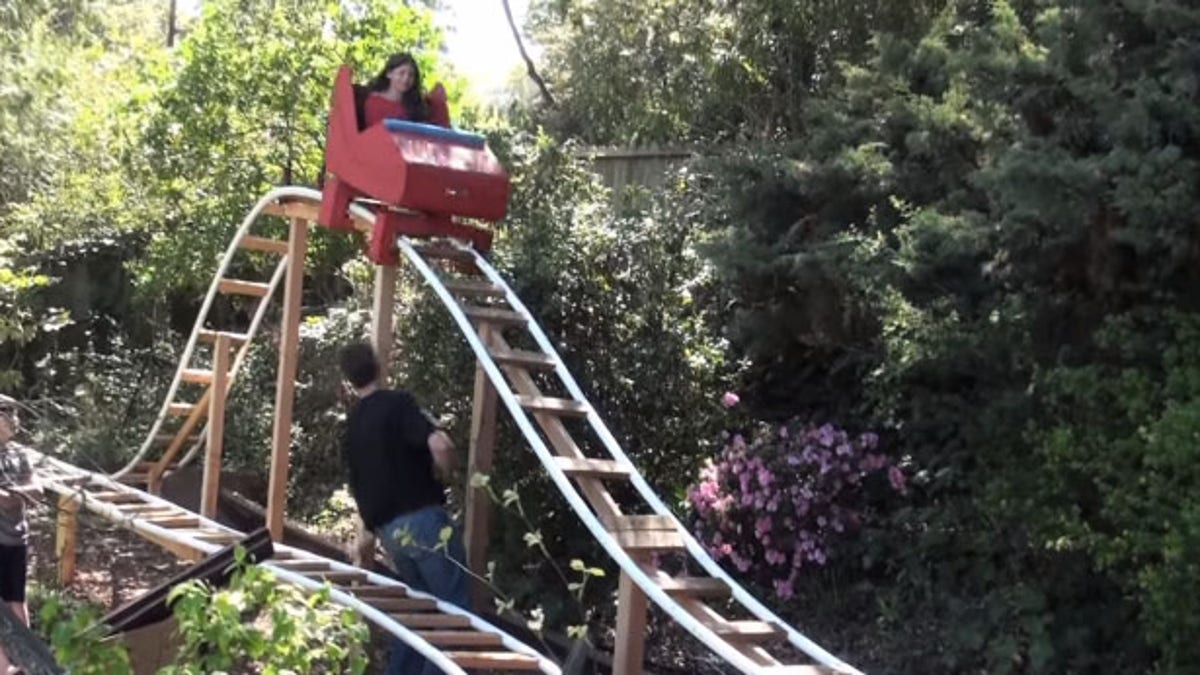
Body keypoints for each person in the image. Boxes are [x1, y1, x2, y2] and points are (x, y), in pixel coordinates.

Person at [337, 343, 467, 675]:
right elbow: (441, 444)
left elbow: (361, 486)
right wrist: (450, 472)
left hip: (391, 534)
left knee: (421, 618)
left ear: (348, 379)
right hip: (424, 521)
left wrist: (365, 541)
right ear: (379, 365)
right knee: (454, 616)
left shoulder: (351, 427)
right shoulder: (398, 404)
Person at [0, 395, 39, 675]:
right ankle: (3, 667)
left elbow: (37, 492)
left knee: (17, 600)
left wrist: (12, 495)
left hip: (16, 538)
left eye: (13, 413)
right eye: (5, 413)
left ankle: (28, 663)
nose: (12, 419)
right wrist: (16, 495)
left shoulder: (19, 454)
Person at [362, 52, 451, 129]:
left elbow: (441, 128)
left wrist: (439, 100)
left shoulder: (417, 104)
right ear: (389, 74)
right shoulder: (375, 102)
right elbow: (376, 134)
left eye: (411, 75)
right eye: (401, 73)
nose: (406, 79)